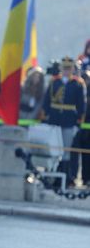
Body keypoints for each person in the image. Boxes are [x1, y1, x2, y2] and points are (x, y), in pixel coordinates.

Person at [39, 57, 86, 185]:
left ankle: (65, 178)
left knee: (66, 151)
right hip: (54, 120)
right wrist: (45, 116)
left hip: (69, 121)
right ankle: (50, 177)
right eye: (64, 68)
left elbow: (81, 105)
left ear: (72, 69)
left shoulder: (77, 84)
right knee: (52, 149)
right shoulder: (54, 82)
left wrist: (78, 122)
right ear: (61, 68)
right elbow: (47, 101)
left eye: (69, 68)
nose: (66, 70)